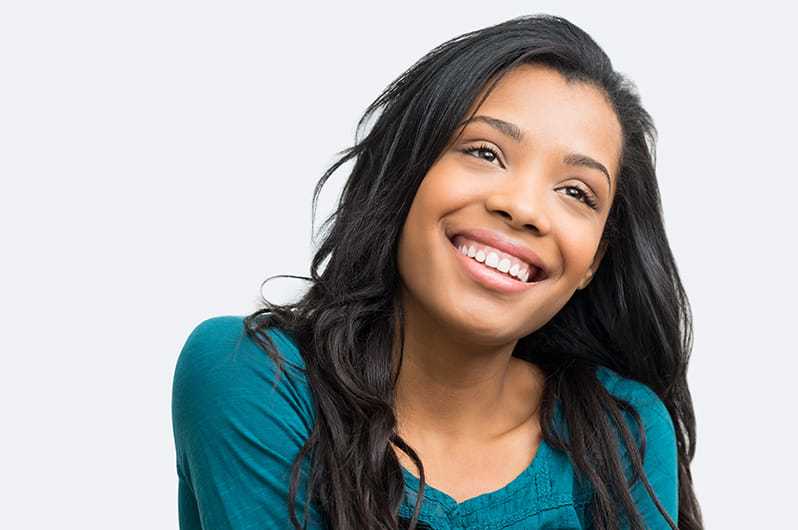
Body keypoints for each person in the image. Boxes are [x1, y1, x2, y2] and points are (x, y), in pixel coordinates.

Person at [171, 13, 703, 530]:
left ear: (593, 263)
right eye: (485, 152)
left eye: (576, 192)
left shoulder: (623, 429)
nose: (523, 208)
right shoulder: (252, 377)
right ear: (407, 171)